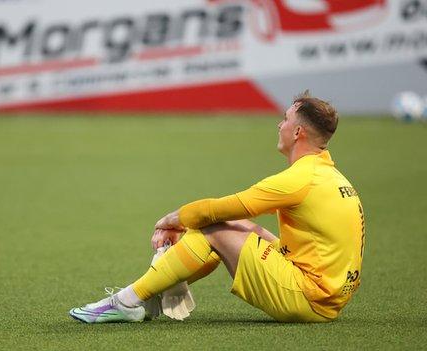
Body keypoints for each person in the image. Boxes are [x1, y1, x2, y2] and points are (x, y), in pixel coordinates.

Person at [70, 91, 365, 323]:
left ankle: (128, 300)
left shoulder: (299, 179)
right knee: (239, 227)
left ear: (298, 132)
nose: (280, 124)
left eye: (286, 119)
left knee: (214, 227)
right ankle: (154, 289)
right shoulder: (330, 175)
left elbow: (222, 208)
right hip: (328, 296)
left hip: (309, 298)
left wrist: (171, 220)